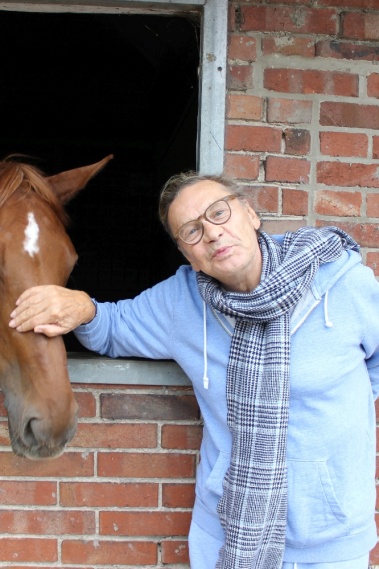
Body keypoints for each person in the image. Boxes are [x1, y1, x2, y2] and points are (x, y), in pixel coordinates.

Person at [9, 172, 379, 569]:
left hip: (329, 539)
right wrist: (83, 307)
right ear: (187, 254)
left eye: (219, 213)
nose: (213, 234)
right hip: (225, 534)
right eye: (191, 230)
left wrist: (326, 432)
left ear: (250, 214)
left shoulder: (343, 284)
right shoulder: (181, 301)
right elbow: (114, 328)